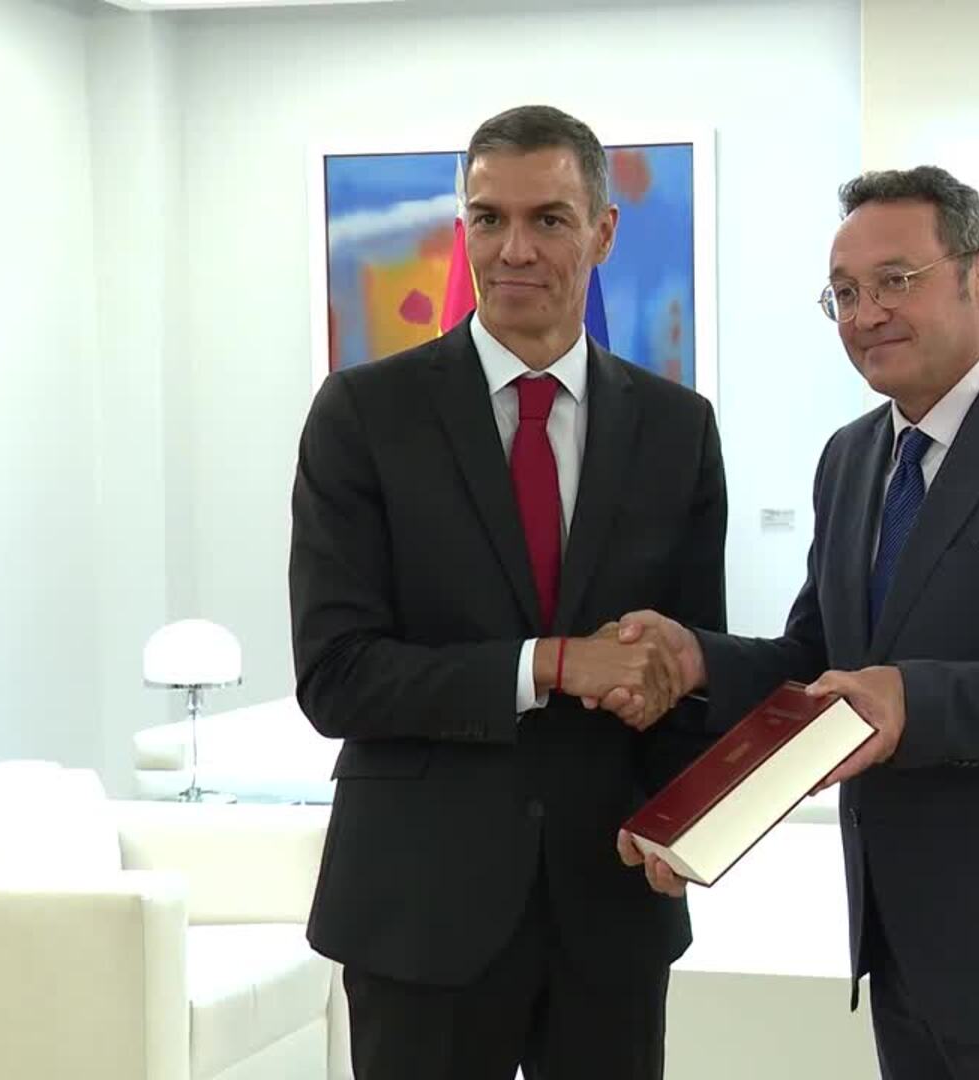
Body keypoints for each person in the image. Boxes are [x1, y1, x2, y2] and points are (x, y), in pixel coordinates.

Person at [610, 165, 979, 1079]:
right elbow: (820, 662)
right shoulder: (851, 460)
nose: (866, 314)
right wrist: (699, 661)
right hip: (904, 956)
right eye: (844, 293)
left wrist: (913, 703)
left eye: (895, 280)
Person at [288, 104, 726, 1080]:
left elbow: (689, 669)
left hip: (611, 907)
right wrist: (551, 666)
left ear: (603, 232)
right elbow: (337, 677)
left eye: (548, 220)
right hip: (418, 912)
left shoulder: (678, 429)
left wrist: (692, 813)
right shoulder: (363, 416)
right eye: (488, 219)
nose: (513, 249)